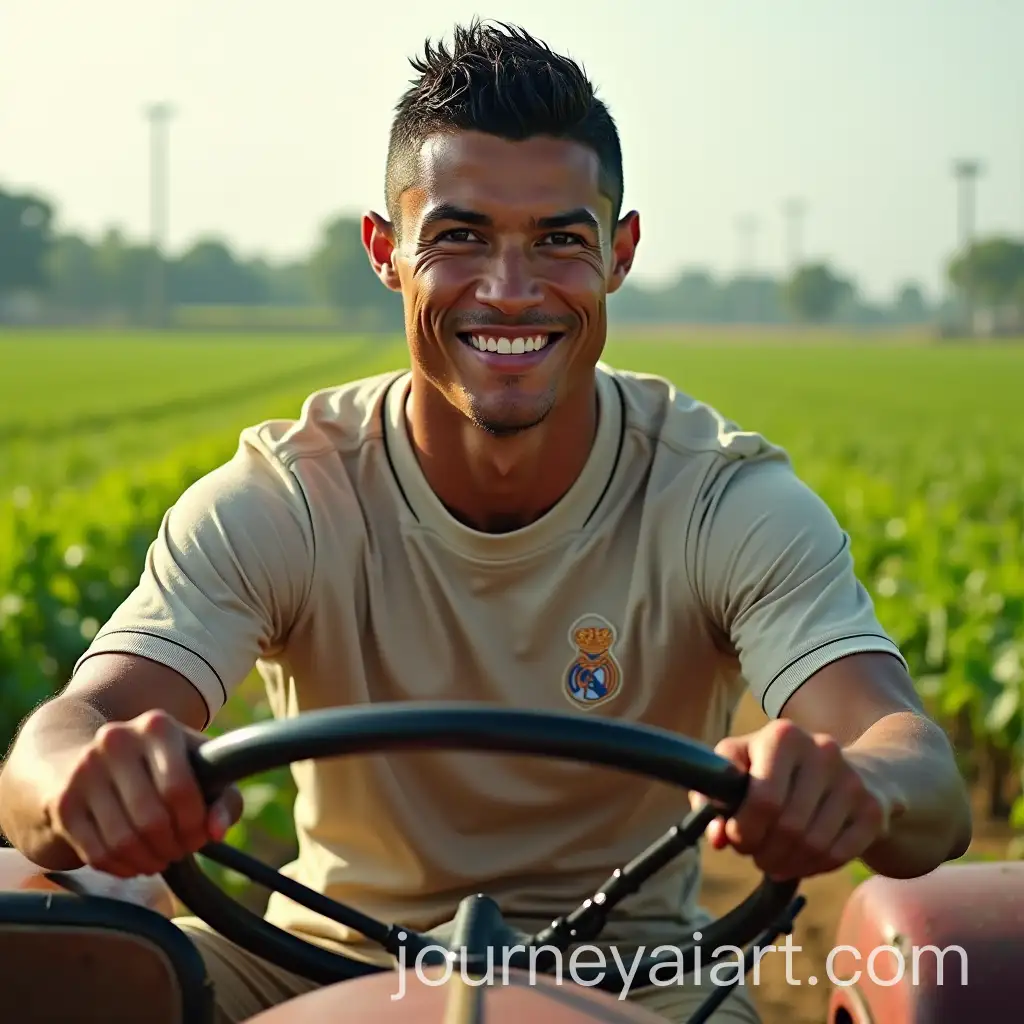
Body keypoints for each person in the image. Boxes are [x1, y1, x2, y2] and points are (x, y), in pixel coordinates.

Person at [0, 19, 970, 1024]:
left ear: (620, 253)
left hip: (640, 977)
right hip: (314, 954)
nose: (510, 289)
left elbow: (923, 776)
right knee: (54, 958)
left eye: (559, 239)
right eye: (459, 237)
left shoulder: (721, 499)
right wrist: (87, 773)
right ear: (386, 251)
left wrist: (854, 784)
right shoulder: (287, 494)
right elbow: (52, 751)